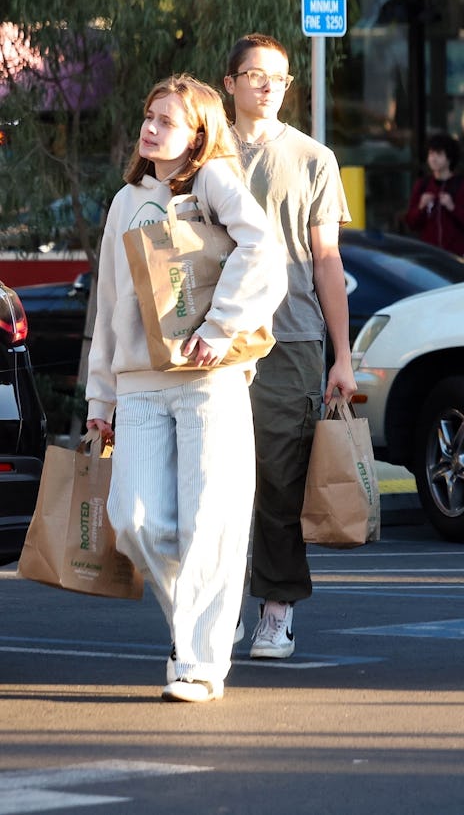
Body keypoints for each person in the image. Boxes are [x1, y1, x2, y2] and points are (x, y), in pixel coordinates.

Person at [86, 74, 286, 702]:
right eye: (148, 116)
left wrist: (221, 326)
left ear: (198, 134)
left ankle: (198, 663)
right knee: (134, 520)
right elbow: (109, 302)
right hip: (138, 384)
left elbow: (264, 250)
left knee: (211, 521)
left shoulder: (214, 182)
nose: (150, 129)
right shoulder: (126, 201)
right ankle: (201, 624)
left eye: (167, 121)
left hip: (208, 379)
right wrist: (99, 396)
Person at [223, 33, 356, 660]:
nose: (268, 85)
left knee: (279, 482)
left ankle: (276, 611)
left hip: (291, 338)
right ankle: (215, 608)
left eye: (278, 76)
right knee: (214, 482)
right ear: (229, 84)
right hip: (213, 340)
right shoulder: (202, 153)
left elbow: (327, 259)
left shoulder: (312, 158)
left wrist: (343, 356)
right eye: (255, 74)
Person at [405, 133, 464, 256]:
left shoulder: (463, 186)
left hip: (455, 255)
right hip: (428, 255)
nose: (433, 159)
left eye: (439, 154)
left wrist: (453, 208)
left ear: (449, 158)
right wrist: (421, 207)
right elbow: (411, 223)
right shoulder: (422, 185)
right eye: (431, 154)